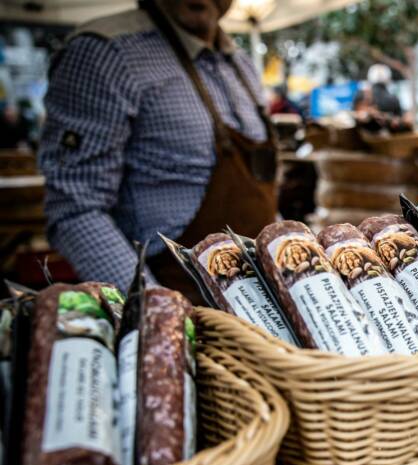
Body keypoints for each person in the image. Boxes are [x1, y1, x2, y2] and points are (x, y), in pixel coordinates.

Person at [38, 0, 277, 295]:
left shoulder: (239, 64)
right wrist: (156, 307)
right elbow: (75, 207)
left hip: (261, 309)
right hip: (179, 302)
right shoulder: (105, 51)